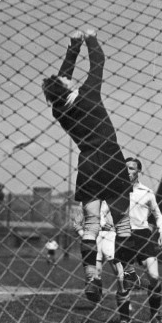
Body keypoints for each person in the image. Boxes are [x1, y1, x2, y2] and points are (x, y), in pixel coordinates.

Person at [42, 29, 131, 303]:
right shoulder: (89, 93)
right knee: (123, 224)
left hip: (89, 163)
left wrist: (72, 48)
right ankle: (128, 272)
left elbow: (61, 80)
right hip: (112, 159)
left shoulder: (59, 110)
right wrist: (88, 40)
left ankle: (92, 277)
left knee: (91, 225)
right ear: (66, 87)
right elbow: (99, 62)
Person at [114, 157, 162, 323]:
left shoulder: (147, 192)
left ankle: (155, 314)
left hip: (143, 236)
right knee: (122, 280)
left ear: (138, 171)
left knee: (154, 276)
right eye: (125, 168)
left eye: (131, 168)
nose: (127, 171)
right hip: (122, 236)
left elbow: (158, 215)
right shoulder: (115, 191)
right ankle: (124, 318)